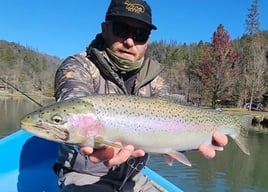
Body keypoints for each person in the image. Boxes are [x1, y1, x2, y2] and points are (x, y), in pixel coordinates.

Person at [53, 0, 228, 191]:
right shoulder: (77, 67)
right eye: (121, 29)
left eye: (139, 35)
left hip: (133, 178)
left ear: (147, 40)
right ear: (105, 28)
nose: (129, 41)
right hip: (83, 175)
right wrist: (93, 141)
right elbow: (72, 105)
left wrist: (197, 139)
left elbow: (169, 127)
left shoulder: (155, 79)